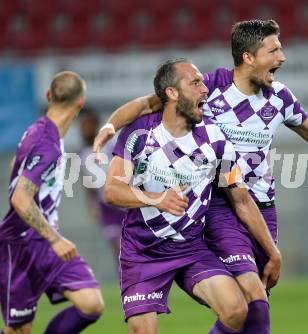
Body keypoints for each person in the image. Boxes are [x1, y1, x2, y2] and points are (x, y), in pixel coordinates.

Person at [94, 19, 308, 333]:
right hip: (223, 204)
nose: (282, 57)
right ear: (248, 57)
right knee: (252, 299)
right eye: (274, 50)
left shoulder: (278, 97)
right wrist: (109, 128)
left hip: (261, 205)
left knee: (255, 306)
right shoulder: (209, 88)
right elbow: (146, 104)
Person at [105, 58, 281, 334]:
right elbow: (112, 191)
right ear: (172, 93)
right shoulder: (139, 133)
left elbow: (242, 200)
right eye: (195, 83)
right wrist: (156, 198)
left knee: (237, 311)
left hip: (190, 248)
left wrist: (272, 251)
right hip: (143, 253)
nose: (204, 89)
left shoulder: (216, 140)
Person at [0, 72, 104, 334]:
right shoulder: (47, 143)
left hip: (44, 241)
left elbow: (17, 165)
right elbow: (20, 199)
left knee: (91, 303)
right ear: (81, 102)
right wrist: (56, 239)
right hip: (21, 245)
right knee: (18, 331)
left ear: (49, 96)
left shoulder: (38, 130)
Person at [78, 109, 126, 262]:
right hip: (107, 208)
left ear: (96, 125)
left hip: (127, 204)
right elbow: (90, 185)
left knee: (129, 249)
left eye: (87, 124)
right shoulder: (82, 154)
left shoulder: (111, 144)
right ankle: (126, 282)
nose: (83, 128)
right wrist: (92, 203)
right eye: (81, 125)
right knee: (118, 249)